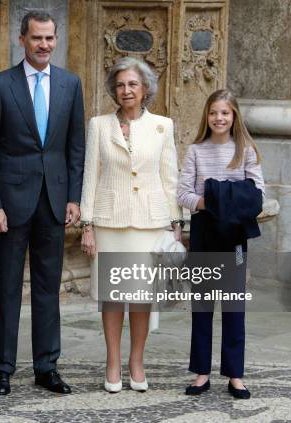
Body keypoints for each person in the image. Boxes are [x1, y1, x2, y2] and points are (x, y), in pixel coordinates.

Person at [0, 11, 85, 395]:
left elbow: (75, 147)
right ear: (22, 39)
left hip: (54, 201)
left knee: (47, 287)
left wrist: (74, 196)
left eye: (50, 38)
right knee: (6, 287)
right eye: (37, 38)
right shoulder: (0, 86)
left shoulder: (71, 84)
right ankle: (2, 369)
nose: (44, 45)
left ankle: (46, 367)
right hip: (10, 202)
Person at [79, 57, 183, 393]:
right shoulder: (99, 125)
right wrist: (87, 224)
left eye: (133, 84)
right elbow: (90, 177)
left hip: (150, 223)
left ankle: (136, 362)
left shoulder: (162, 126)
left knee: (141, 297)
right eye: (121, 85)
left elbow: (170, 178)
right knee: (112, 297)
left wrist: (176, 222)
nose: (126, 90)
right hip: (110, 222)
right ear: (114, 89)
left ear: (146, 89)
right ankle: (112, 362)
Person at [177, 89, 265, 399]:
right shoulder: (196, 151)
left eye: (225, 113)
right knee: (202, 307)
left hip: (234, 237)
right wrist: (216, 200)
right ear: (207, 116)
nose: (219, 118)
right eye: (214, 112)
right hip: (204, 234)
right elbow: (183, 194)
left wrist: (219, 196)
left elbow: (256, 196)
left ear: (234, 116)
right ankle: (201, 372)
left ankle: (235, 375)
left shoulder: (246, 151)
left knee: (233, 308)